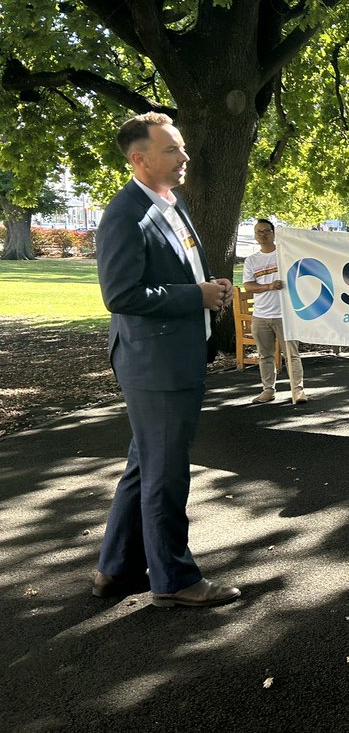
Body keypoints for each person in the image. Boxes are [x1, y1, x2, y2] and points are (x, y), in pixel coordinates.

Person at [92, 112, 240, 608]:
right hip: (155, 364)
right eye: (173, 150)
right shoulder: (124, 213)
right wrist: (193, 296)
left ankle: (115, 570)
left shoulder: (171, 204)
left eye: (182, 148)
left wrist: (210, 288)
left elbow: (181, 266)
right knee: (165, 473)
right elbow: (121, 294)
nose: (185, 157)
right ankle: (174, 580)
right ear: (140, 159)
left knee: (145, 466)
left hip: (174, 357)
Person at [242, 219, 305, 405]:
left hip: (285, 314)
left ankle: (297, 390)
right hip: (261, 315)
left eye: (266, 231)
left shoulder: (284, 254)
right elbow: (248, 286)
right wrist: (269, 286)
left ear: (273, 233)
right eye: (258, 232)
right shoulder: (252, 260)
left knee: (291, 354)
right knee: (265, 355)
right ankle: (268, 390)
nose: (262, 235)